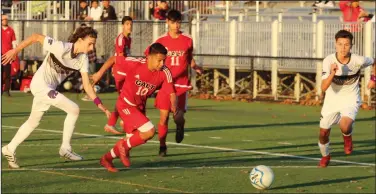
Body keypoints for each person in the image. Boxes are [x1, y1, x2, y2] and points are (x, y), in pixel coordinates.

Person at [1, 27, 112, 169]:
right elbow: (35, 36)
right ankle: (65, 148)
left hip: (48, 89)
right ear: (80, 40)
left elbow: (87, 86)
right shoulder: (61, 47)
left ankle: (9, 148)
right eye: (90, 43)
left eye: (93, 44)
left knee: (33, 122)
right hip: (40, 85)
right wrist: (15, 51)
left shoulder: (82, 59)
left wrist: (100, 104)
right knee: (74, 109)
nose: (92, 48)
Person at [97, 43, 177, 172]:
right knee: (149, 131)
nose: (162, 63)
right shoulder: (136, 63)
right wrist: (98, 74)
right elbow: (114, 59)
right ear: (149, 57)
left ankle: (106, 158)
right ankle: (123, 146)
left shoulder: (164, 72)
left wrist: (174, 106)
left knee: (138, 138)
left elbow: (171, 92)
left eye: (164, 60)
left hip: (139, 107)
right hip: (125, 104)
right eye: (159, 60)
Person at [144, 9, 203, 157]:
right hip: (165, 84)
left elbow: (189, 58)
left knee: (177, 117)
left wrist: (195, 66)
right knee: (163, 117)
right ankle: (162, 146)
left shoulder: (187, 40)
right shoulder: (161, 41)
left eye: (178, 22)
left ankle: (180, 126)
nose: (176, 25)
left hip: (181, 85)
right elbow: (149, 56)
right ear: (167, 22)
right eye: (172, 22)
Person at [318, 30, 375, 168]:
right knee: (323, 133)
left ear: (351, 45)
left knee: (345, 124)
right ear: (335, 45)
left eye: (346, 45)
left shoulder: (358, 60)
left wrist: (374, 78)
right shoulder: (329, 60)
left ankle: (347, 138)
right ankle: (326, 156)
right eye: (340, 44)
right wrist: (332, 73)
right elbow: (324, 87)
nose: (343, 48)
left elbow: (374, 62)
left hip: (350, 99)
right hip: (332, 101)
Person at [103, 16, 133, 134]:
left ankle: (120, 122)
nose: (129, 26)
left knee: (125, 98)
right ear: (123, 26)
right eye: (127, 24)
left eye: (131, 24)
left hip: (125, 71)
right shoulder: (121, 39)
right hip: (121, 71)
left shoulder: (128, 39)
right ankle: (118, 122)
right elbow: (120, 57)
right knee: (125, 98)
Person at [1, 14, 16, 97]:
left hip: (8, 55)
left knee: (7, 73)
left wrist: (14, 53)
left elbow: (14, 43)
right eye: (3, 19)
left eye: (6, 19)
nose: (5, 21)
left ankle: (6, 90)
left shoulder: (11, 30)